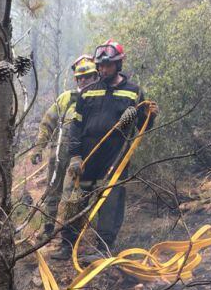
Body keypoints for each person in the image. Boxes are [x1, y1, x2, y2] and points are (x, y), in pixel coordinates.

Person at [55, 39, 158, 260]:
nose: (103, 70)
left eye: (108, 65)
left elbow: (142, 127)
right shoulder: (89, 91)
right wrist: (75, 155)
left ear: (118, 64)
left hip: (115, 156)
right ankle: (67, 245)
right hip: (86, 156)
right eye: (100, 66)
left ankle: (103, 248)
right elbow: (77, 125)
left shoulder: (133, 93)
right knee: (76, 198)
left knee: (110, 199)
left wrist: (151, 115)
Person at [31, 55, 99, 239]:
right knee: (52, 191)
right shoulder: (66, 98)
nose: (84, 80)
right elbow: (47, 123)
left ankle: (68, 239)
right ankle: (48, 229)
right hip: (58, 154)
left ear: (96, 77)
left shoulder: (98, 101)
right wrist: (38, 148)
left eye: (88, 76)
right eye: (80, 77)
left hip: (79, 159)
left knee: (72, 197)